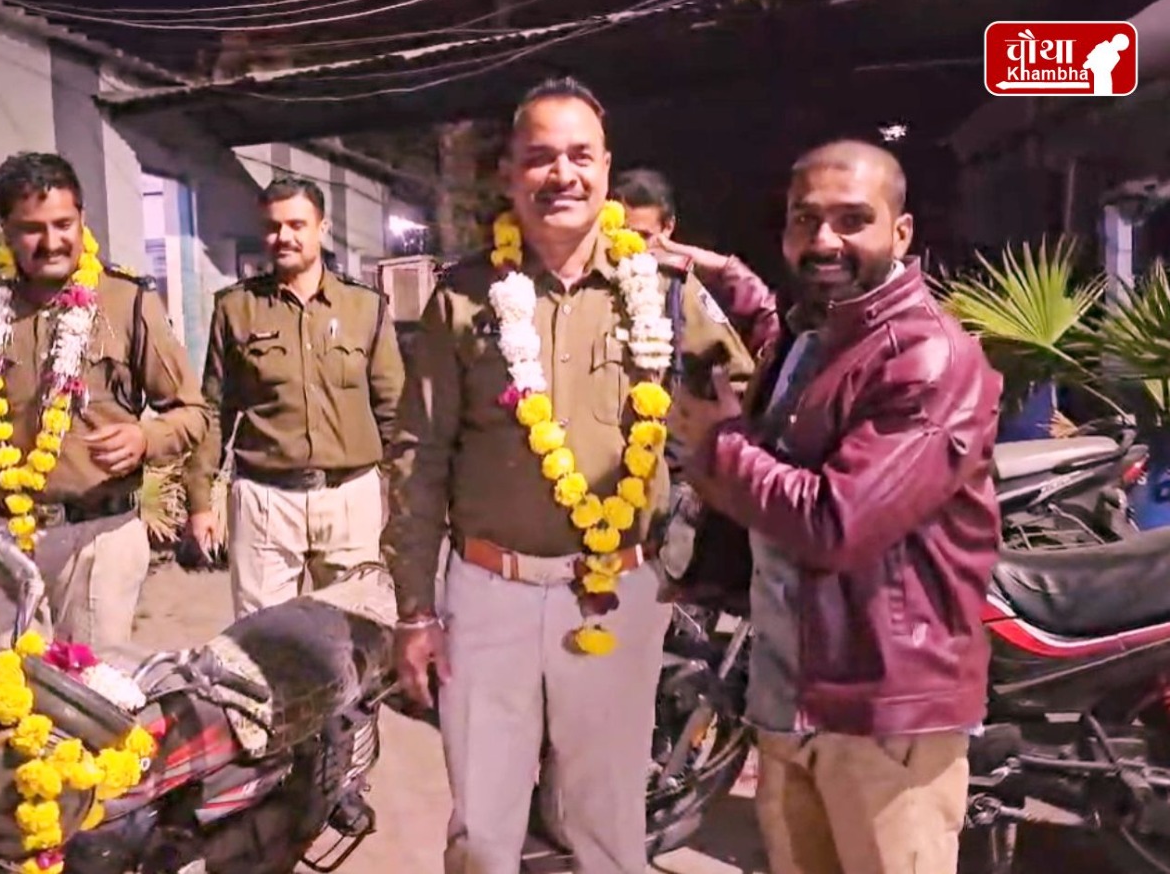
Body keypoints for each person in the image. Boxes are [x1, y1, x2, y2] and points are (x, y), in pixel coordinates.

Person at [383, 76, 753, 874]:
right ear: (511, 174)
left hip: (617, 592)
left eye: (580, 156)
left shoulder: (662, 294)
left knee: (607, 824)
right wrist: (416, 610)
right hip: (488, 594)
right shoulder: (462, 298)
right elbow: (419, 459)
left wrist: (689, 554)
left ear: (607, 169)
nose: (563, 175)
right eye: (541, 157)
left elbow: (742, 409)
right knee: (484, 827)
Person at [669, 139, 1002, 874]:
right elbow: (777, 342)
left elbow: (837, 522)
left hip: (884, 714)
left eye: (853, 220)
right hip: (792, 700)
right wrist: (723, 277)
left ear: (902, 232)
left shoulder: (926, 358)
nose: (824, 240)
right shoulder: (817, 334)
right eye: (805, 220)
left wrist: (717, 443)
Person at [0, 152, 207, 655]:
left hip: (96, 541)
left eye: (63, 223)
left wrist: (144, 438)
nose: (51, 242)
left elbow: (193, 412)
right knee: (10, 698)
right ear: (4, 229)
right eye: (31, 228)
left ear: (82, 219)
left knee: (93, 699)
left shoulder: (127, 301)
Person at [184, 176, 403, 616]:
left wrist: (406, 499)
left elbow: (394, 410)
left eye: (297, 224)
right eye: (273, 226)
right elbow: (213, 410)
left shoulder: (365, 307)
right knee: (261, 642)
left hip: (349, 499)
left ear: (322, 228)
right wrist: (200, 501)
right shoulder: (236, 308)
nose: (284, 236)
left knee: (355, 634)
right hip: (266, 502)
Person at [610, 167, 781, 359]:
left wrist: (728, 269)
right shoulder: (591, 280)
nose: (633, 247)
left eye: (643, 236)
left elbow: (738, 367)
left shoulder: (684, 286)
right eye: (622, 233)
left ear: (668, 228)